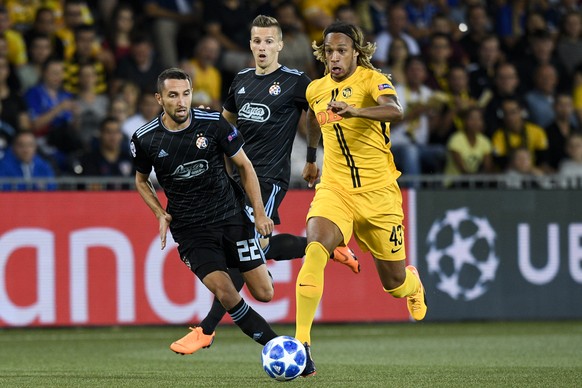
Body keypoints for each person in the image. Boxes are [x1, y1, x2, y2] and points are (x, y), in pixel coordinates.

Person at [178, 14, 360, 357]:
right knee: (252, 250)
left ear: (279, 45)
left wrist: (310, 157)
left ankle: (206, 329)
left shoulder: (295, 81)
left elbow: (314, 112)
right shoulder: (242, 80)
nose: (262, 47)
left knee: (240, 251)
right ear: (250, 45)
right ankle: (322, 246)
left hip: (270, 180)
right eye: (256, 41)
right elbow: (226, 122)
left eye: (268, 42)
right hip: (236, 178)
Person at [296, 21, 427, 377]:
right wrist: (311, 159)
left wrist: (357, 111)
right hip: (335, 189)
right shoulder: (316, 89)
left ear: (356, 52)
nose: (334, 57)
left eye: (341, 50)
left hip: (380, 195)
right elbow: (312, 118)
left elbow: (395, 110)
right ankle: (302, 347)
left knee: (394, 286)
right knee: (314, 248)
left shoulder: (373, 80)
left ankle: (412, 283)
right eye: (329, 51)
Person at [131, 67, 280, 355]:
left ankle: (266, 248)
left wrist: (260, 213)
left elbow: (245, 166)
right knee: (226, 291)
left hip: (231, 217)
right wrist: (159, 213)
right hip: (191, 231)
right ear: (159, 99)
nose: (181, 102)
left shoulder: (213, 124)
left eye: (185, 94)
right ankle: (277, 347)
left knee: (265, 293)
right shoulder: (145, 139)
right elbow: (140, 180)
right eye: (173, 95)